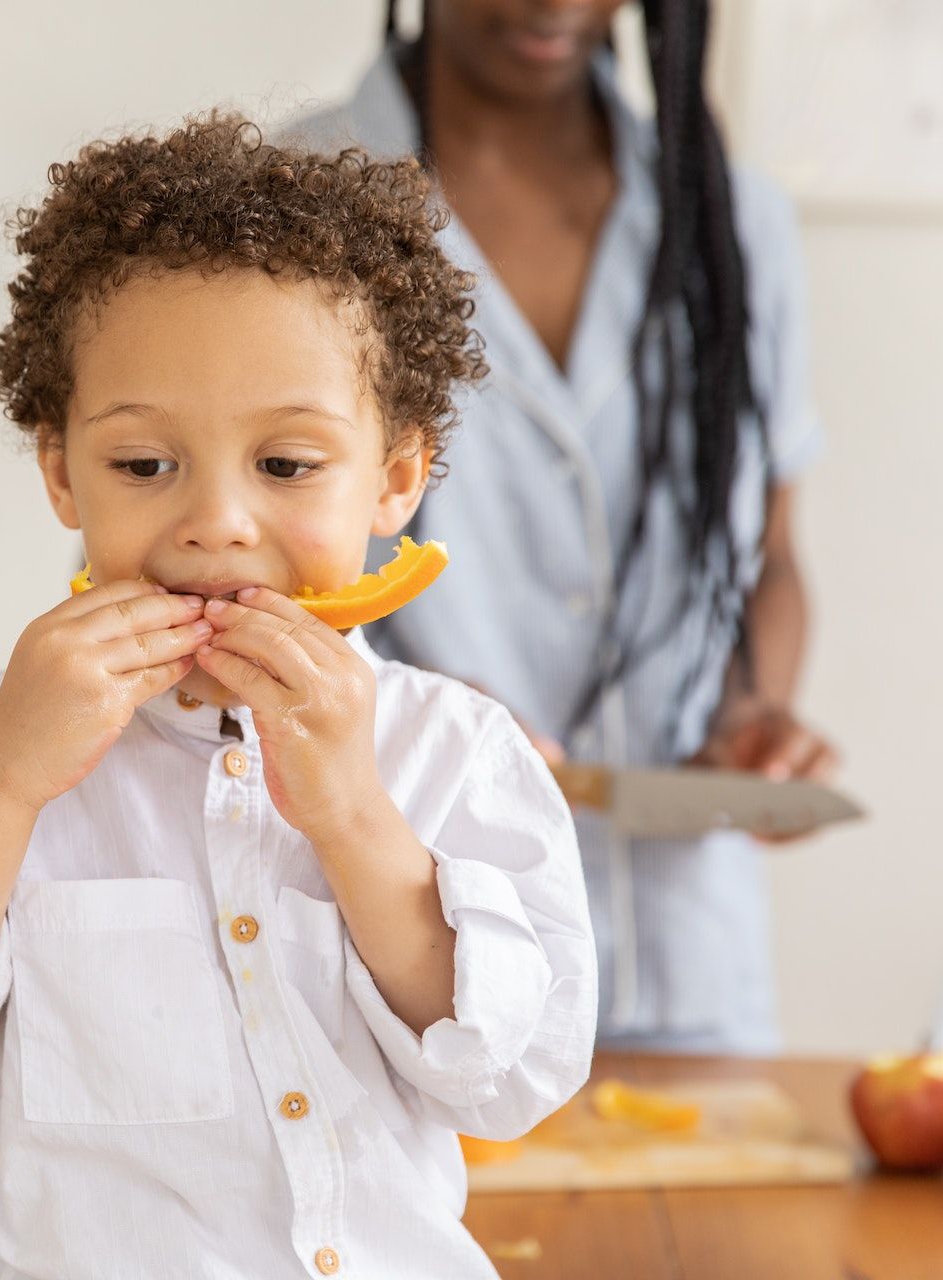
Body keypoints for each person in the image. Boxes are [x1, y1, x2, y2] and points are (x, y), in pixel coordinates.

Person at [0, 114, 595, 1278]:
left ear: (398, 477)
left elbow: (512, 1078)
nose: (217, 521)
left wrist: (355, 817)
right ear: (62, 472)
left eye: (286, 464)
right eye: (142, 464)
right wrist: (9, 782)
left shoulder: (458, 752)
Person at [287, 0, 839, 1053]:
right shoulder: (286, 207)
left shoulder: (732, 221)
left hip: (682, 941)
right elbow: (190, 561)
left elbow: (771, 554)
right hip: (390, 950)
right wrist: (414, 712)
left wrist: (755, 708)